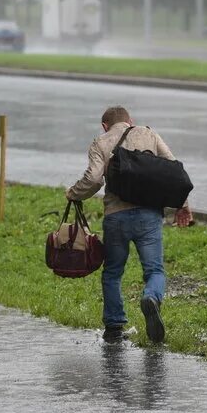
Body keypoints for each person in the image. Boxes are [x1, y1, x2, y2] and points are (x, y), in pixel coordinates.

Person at [66, 106, 193, 344]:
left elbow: (93, 179)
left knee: (113, 272)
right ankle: (151, 298)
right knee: (154, 270)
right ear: (130, 121)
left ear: (105, 125)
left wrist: (73, 194)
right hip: (149, 216)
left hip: (116, 218)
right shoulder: (148, 134)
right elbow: (174, 170)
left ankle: (114, 328)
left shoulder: (100, 142)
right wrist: (183, 204)